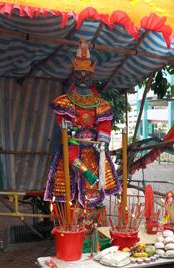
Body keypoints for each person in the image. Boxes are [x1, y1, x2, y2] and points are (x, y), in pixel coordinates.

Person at [44, 39, 121, 208]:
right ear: (74, 74)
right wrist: (72, 134)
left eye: (87, 75)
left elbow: (105, 126)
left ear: (92, 76)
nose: (83, 78)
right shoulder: (65, 102)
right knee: (70, 191)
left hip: (95, 152)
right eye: (79, 74)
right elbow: (65, 128)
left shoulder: (101, 104)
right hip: (73, 149)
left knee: (95, 192)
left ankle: (94, 227)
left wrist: (101, 144)